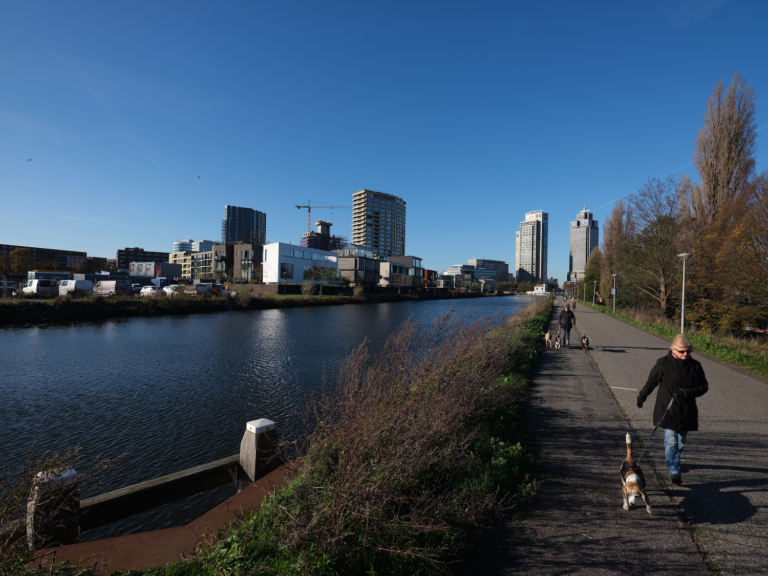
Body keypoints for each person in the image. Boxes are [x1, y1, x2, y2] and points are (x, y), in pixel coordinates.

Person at [636, 334, 709, 485]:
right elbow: (651, 382)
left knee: (681, 442)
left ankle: (673, 459)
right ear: (673, 350)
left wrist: (688, 392)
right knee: (671, 443)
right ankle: (675, 471)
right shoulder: (663, 363)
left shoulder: (695, 365)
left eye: (688, 351)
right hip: (667, 410)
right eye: (682, 351)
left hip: (687, 411)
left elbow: (703, 386)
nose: (686, 354)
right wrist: (642, 396)